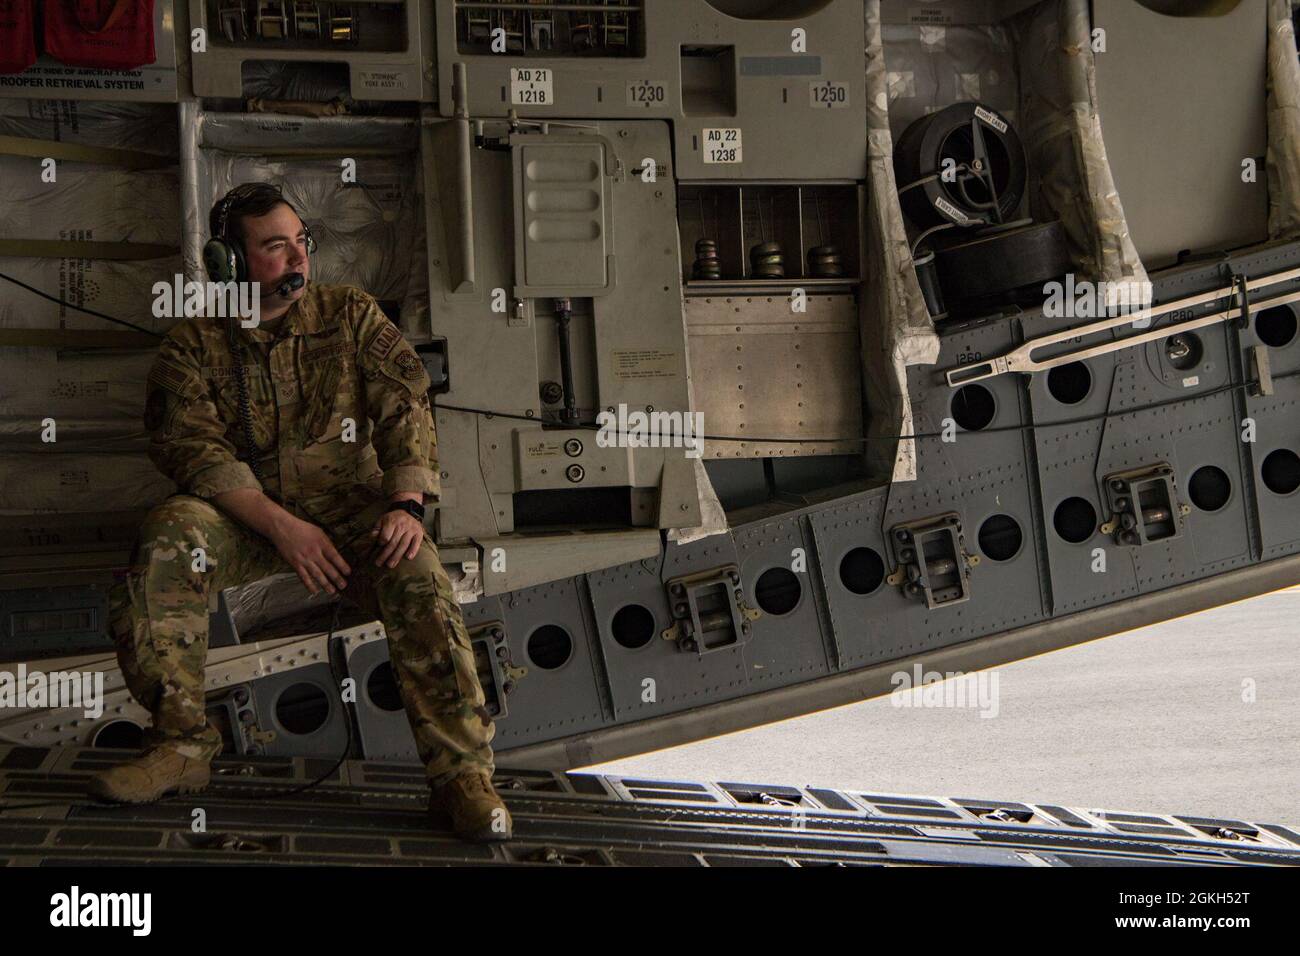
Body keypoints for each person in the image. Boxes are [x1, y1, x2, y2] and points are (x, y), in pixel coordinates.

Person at [90, 182, 511, 843]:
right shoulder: (193, 347)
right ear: (229, 262)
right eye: (275, 247)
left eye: (301, 243)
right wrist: (284, 529)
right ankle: (181, 746)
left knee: (421, 576)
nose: (297, 260)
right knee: (170, 537)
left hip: (352, 509)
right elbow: (192, 452)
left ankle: (462, 776)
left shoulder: (350, 315)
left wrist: (405, 503)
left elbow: (405, 403)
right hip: (249, 519)